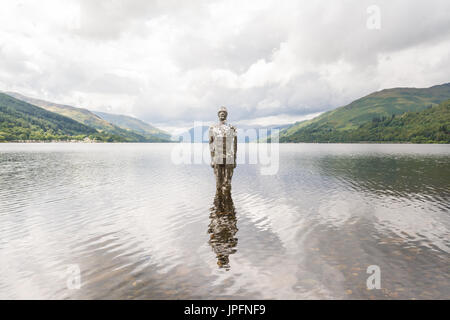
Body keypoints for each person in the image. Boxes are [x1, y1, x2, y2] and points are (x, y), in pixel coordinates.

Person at [209, 106, 237, 193]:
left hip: (229, 157)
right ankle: (218, 205)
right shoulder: (213, 128)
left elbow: (235, 144)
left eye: (224, 112)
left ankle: (228, 205)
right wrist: (212, 159)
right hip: (217, 157)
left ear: (226, 115)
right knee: (218, 184)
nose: (222, 113)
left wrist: (235, 159)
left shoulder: (231, 128)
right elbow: (211, 144)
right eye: (220, 112)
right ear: (218, 115)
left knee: (227, 184)